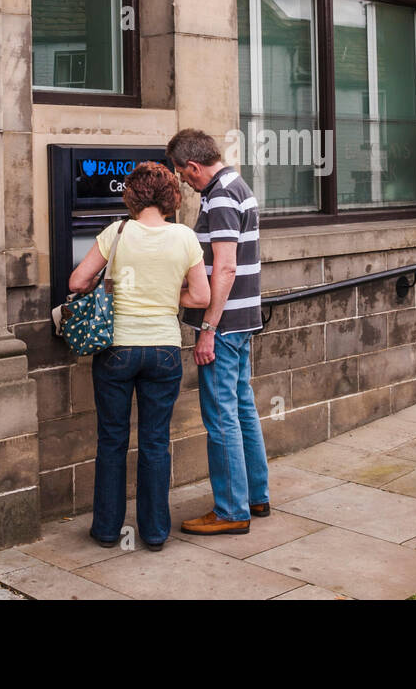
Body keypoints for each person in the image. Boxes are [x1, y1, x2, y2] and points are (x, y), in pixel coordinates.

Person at [69, 161, 210, 551]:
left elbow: (77, 282)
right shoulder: (184, 237)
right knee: (154, 441)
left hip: (117, 348)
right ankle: (154, 532)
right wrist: (168, 296)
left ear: (131, 194)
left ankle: (107, 530)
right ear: (170, 197)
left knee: (112, 440)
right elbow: (201, 296)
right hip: (163, 349)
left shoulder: (117, 232)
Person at [166, 129, 270, 536]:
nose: (183, 182)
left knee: (221, 415)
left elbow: (225, 267)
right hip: (240, 322)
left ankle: (230, 511)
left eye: (182, 174)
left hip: (223, 326)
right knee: (242, 408)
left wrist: (207, 328)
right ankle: (255, 496)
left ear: (194, 166)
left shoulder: (222, 195)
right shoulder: (234, 185)